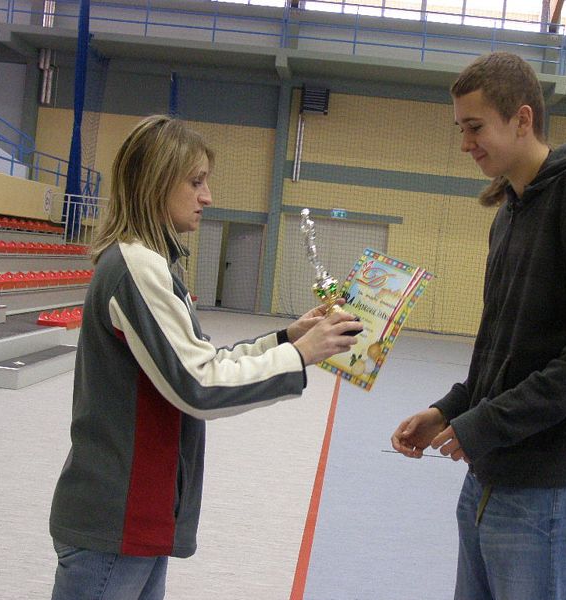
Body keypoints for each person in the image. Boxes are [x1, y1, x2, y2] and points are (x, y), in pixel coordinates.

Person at [49, 115, 362, 600]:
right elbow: (199, 386)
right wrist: (299, 355)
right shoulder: (138, 267)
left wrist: (286, 340)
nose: (208, 196)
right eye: (195, 182)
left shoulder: (149, 263)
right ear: (156, 183)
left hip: (136, 514)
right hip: (116, 519)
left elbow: (199, 362)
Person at [390, 52, 566, 600]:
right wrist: (451, 408)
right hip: (494, 472)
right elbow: (504, 347)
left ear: (522, 119)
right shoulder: (508, 211)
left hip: (551, 486)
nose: (465, 143)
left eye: (475, 127)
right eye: (460, 129)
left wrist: (489, 423)